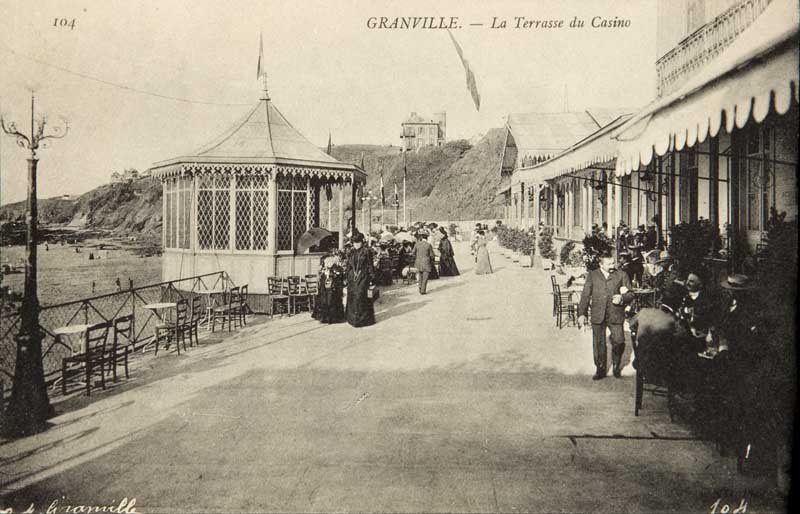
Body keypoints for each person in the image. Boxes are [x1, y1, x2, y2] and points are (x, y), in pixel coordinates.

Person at [578, 254, 635, 379]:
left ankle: (616, 365)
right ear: (601, 264)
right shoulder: (593, 275)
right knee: (599, 343)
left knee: (619, 341)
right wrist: (581, 313)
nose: (612, 266)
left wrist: (622, 298)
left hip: (615, 313)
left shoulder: (621, 275)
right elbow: (585, 295)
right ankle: (600, 369)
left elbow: (631, 294)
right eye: (609, 264)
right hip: (598, 314)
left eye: (613, 263)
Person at [345, 232, 376, 327]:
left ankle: (363, 320)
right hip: (352, 278)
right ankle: (352, 319)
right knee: (352, 297)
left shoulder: (367, 252)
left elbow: (370, 265)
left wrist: (372, 278)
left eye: (358, 242)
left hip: (363, 277)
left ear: (362, 242)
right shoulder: (351, 252)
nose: (356, 244)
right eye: (354, 242)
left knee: (361, 296)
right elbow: (348, 265)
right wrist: (346, 277)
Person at [316, 254, 345, 324]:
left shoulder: (336, 269)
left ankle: (332, 318)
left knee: (331, 301)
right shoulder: (323, 270)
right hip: (324, 287)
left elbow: (340, 277)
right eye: (326, 263)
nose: (327, 264)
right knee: (324, 301)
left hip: (333, 287)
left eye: (329, 263)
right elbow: (320, 278)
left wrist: (334, 275)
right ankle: (324, 318)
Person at [412, 229, 435, 294]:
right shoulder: (428, 245)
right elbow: (432, 255)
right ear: (427, 237)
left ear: (421, 237)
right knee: (425, 277)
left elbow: (413, 253)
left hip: (418, 262)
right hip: (426, 263)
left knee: (420, 276)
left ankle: (420, 287)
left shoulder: (417, 244)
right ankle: (423, 290)